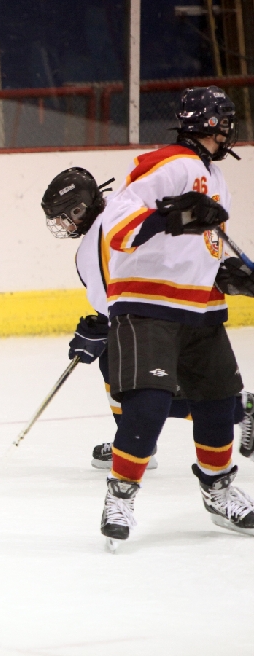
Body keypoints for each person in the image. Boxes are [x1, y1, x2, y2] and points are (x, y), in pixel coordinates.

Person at [98, 86, 254, 549]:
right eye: (225, 123)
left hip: (201, 309)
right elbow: (116, 228)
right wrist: (166, 218)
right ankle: (120, 496)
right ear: (211, 125)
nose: (229, 132)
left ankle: (218, 491)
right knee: (147, 405)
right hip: (148, 307)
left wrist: (226, 275)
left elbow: (200, 245)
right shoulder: (167, 163)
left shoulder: (215, 176)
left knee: (218, 403)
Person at [41, 168, 254, 470]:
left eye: (68, 216)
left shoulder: (92, 245)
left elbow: (113, 300)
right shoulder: (125, 204)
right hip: (178, 305)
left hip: (157, 318)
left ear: (82, 207)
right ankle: (143, 438)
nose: (65, 225)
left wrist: (102, 327)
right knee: (137, 377)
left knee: (135, 381)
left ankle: (235, 409)